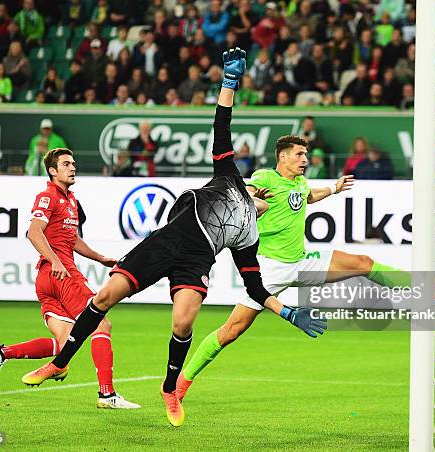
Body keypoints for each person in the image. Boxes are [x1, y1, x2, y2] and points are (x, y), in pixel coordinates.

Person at [21, 48, 326, 427]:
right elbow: (222, 125)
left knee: (183, 324)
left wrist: (290, 314)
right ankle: (59, 363)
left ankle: (169, 389)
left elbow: (257, 289)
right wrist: (228, 83)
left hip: (196, 261)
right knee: (104, 297)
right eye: (263, 194)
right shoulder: (229, 178)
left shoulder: (249, 236)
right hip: (164, 242)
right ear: (255, 190)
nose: (265, 199)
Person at [177, 131, 435, 403]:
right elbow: (246, 193)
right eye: (299, 154)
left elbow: (308, 196)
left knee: (363, 263)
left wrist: (334, 188)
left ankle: (431, 287)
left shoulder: (299, 183)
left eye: (306, 155)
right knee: (231, 331)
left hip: (301, 262)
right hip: (268, 270)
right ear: (283, 157)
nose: (305, 159)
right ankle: (183, 381)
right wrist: (252, 196)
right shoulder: (266, 177)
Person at [0, 148, 139, 410]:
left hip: (47, 279)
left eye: (74, 163)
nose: (72, 167)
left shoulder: (71, 201)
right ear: (53, 171)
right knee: (101, 325)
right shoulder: (47, 196)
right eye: (66, 164)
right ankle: (106, 394)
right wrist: (56, 260)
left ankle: (1, 352)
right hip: (61, 274)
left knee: (66, 342)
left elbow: (71, 240)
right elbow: (34, 232)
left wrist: (99, 258)